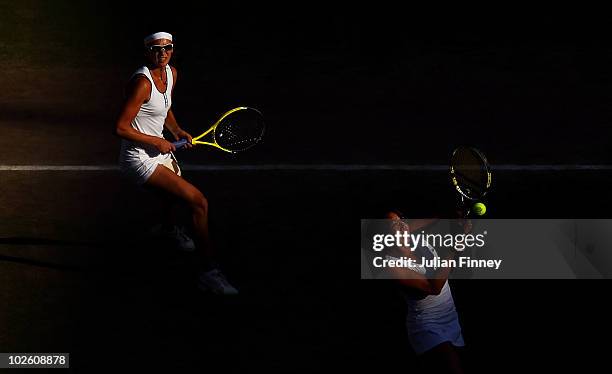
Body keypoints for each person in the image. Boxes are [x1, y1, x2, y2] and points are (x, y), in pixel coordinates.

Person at [115, 31, 238, 295]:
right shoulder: (142, 83)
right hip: (137, 158)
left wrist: (176, 131)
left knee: (170, 197)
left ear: (172, 50)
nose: (162, 53)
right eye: (156, 49)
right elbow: (120, 127)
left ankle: (168, 230)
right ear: (147, 52)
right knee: (198, 202)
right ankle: (208, 272)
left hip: (157, 149)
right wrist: (155, 141)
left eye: (167, 48)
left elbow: (165, 108)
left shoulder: (172, 73)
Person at [383, 211, 467, 374]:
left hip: (451, 317)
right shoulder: (391, 266)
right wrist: (453, 249)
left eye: (402, 220)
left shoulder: (414, 237)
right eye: (393, 224)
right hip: (427, 327)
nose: (401, 226)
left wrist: (454, 219)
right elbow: (434, 287)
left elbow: (428, 220)